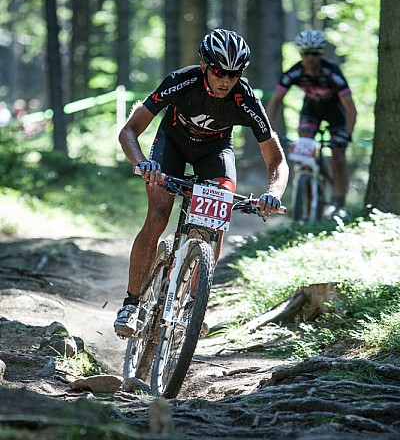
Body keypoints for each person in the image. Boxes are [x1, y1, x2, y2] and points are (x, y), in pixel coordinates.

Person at [114, 28, 289, 339]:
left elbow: (276, 160)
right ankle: (131, 303)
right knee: (158, 216)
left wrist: (273, 193)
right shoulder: (182, 81)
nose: (226, 80)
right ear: (205, 66)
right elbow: (129, 131)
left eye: (234, 74)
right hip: (171, 146)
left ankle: (195, 305)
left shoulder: (245, 99)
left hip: (214, 152)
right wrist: (142, 163)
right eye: (219, 72)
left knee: (214, 222)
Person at [267, 29, 357, 215]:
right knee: (303, 149)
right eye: (306, 53)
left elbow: (350, 107)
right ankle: (301, 194)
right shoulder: (294, 72)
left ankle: (339, 201)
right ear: (300, 53)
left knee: (338, 156)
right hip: (311, 109)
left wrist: (347, 134)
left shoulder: (332, 72)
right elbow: (275, 101)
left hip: (335, 111)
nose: (310, 58)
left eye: (315, 53)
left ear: (321, 53)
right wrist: (269, 130)